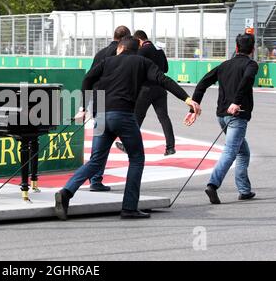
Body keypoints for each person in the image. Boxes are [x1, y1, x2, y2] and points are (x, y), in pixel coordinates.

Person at [54, 36, 201, 220]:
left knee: (96, 161)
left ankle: (66, 192)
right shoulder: (142, 62)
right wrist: (187, 99)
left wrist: (84, 107)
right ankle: (129, 207)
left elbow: (87, 79)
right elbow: (164, 80)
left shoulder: (107, 61)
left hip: (101, 115)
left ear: (121, 48)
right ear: (135, 48)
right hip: (123, 115)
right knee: (137, 158)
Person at [184, 33, 258, 204]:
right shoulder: (251, 65)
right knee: (231, 151)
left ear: (236, 48)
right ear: (253, 50)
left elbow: (202, 83)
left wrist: (193, 107)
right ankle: (213, 185)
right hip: (236, 116)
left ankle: (245, 190)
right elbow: (247, 79)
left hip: (222, 116)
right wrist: (237, 102)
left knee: (243, 152)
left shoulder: (224, 65)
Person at [116, 30, 176, 156]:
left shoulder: (142, 51)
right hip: (160, 88)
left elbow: (136, 67)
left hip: (146, 89)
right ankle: (170, 147)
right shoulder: (159, 49)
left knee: (137, 117)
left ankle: (128, 146)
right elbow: (165, 68)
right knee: (164, 117)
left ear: (139, 40)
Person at [87, 25, 131, 192]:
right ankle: (96, 179)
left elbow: (89, 78)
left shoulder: (100, 53)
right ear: (126, 39)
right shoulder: (122, 54)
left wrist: (85, 105)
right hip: (114, 101)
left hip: (97, 100)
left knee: (98, 142)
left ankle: (95, 179)